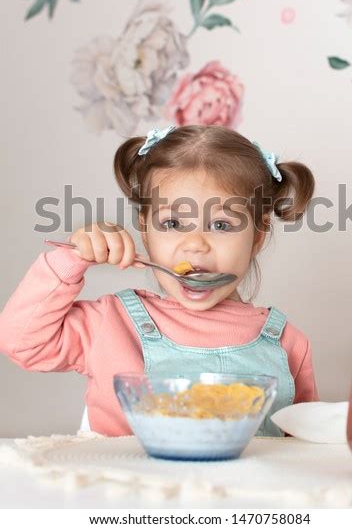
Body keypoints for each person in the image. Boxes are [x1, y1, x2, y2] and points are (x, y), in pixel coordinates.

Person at [0, 124, 319, 437]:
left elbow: (302, 454)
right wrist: (72, 259)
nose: (195, 243)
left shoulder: (285, 343)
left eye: (221, 225)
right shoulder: (112, 323)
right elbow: (20, 343)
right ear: (146, 232)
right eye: (172, 223)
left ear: (257, 237)